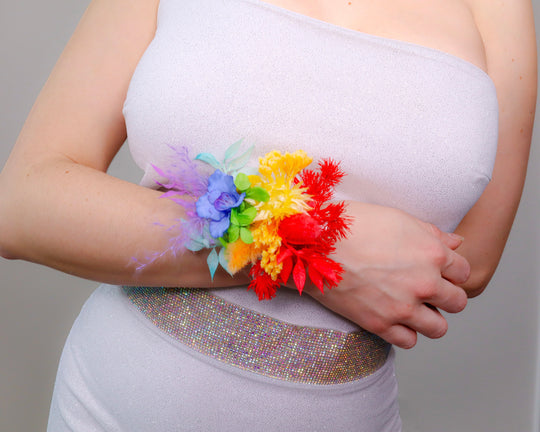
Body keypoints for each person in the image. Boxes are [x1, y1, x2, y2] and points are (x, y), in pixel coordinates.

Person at [0, 0, 535, 430]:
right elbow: (25, 203)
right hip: (111, 409)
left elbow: (471, 262)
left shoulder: (501, 9)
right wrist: (306, 243)